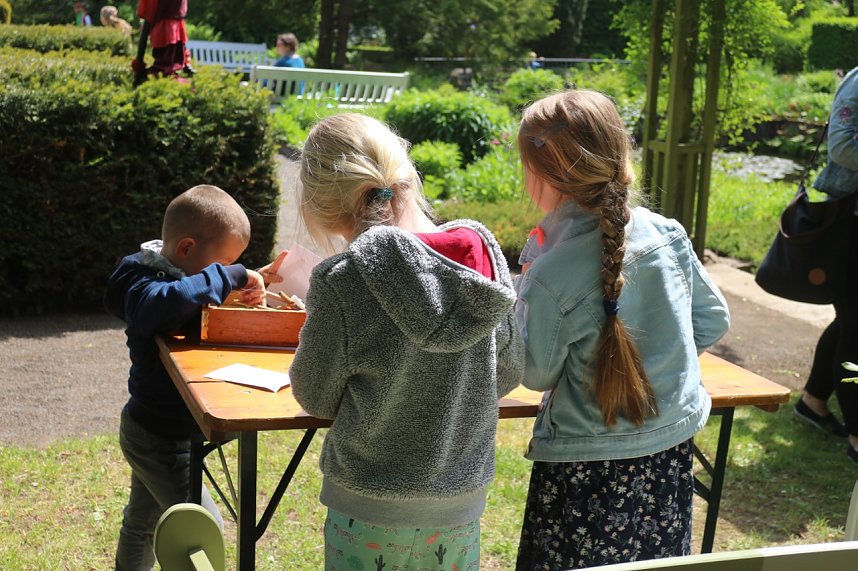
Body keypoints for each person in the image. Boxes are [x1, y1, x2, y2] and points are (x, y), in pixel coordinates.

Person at [288, 113, 524, 570]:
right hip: (459, 504)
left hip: (367, 506)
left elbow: (315, 395)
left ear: (321, 202)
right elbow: (509, 372)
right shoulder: (479, 262)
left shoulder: (343, 280)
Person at [512, 90, 731, 570]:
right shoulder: (666, 232)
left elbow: (536, 372)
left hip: (584, 471)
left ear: (544, 173)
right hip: (667, 452)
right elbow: (713, 320)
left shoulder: (552, 272)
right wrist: (653, 363)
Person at [103, 184, 266, 570]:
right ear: (187, 249)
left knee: (142, 524)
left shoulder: (174, 275)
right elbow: (166, 303)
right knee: (201, 530)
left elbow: (190, 294)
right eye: (220, 265)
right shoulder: (147, 283)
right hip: (159, 437)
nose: (223, 275)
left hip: (158, 431)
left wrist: (233, 284)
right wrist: (234, 274)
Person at [795, 66, 858, 463]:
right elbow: (840, 147)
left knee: (850, 320)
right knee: (856, 326)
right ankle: (857, 432)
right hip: (850, 223)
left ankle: (813, 400)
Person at [131, 0, 193, 86]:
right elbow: (147, 24)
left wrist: (187, 62)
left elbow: (180, 33)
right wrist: (138, 64)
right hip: (162, 68)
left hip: (168, 70)